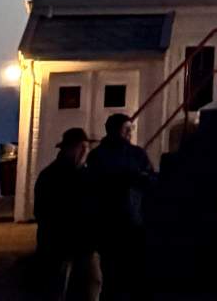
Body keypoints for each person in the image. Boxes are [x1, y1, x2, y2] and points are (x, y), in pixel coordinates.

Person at [85, 113, 155, 300]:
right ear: (114, 130)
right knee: (113, 276)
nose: (130, 133)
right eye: (126, 129)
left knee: (129, 275)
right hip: (112, 224)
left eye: (131, 129)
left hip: (131, 223)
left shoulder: (134, 154)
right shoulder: (100, 156)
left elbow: (150, 180)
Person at [33, 127, 101, 301]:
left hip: (84, 245)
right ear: (68, 149)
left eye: (86, 148)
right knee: (57, 289)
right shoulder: (51, 176)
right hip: (59, 246)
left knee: (92, 285)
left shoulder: (87, 174)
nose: (85, 152)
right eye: (81, 148)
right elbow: (43, 212)